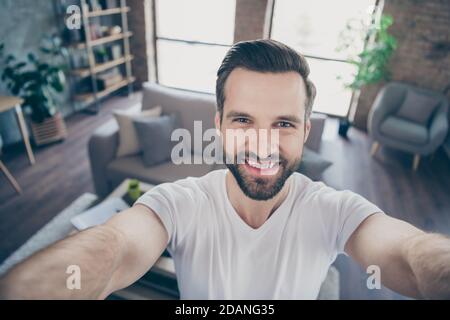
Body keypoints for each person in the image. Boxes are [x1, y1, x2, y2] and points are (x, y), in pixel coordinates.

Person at [1, 40, 449, 299]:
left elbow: (408, 256)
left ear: (305, 131)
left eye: (284, 124)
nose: (263, 144)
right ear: (217, 125)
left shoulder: (333, 209)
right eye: (242, 120)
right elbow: (113, 248)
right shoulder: (180, 202)